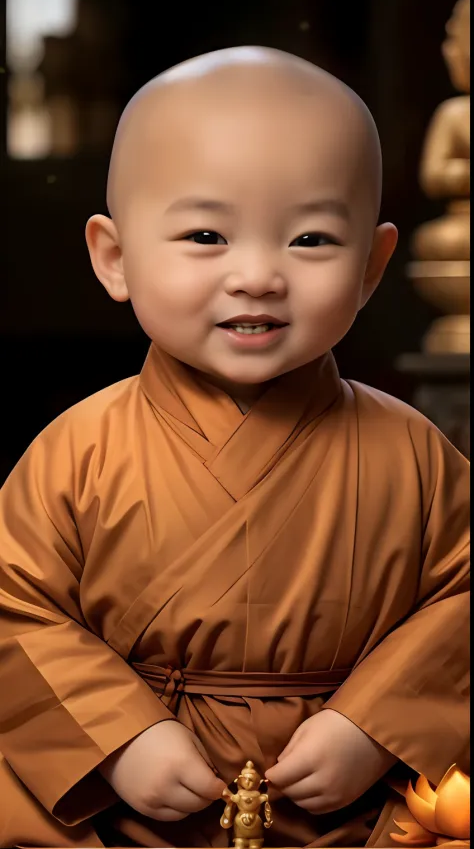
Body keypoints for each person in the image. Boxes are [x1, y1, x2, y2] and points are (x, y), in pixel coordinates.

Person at [0, 47, 469, 849]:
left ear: (373, 267)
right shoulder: (77, 450)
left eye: (313, 239)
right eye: (207, 233)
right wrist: (115, 737)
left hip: (356, 806)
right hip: (123, 803)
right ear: (114, 257)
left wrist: (376, 723)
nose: (257, 275)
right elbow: (14, 609)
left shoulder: (414, 454)